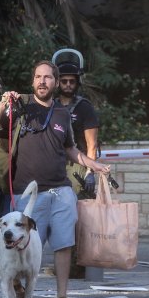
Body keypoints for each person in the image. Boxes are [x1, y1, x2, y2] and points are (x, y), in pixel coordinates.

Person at [0, 61, 111, 298]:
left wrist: (92, 164)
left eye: (48, 78)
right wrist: (2, 102)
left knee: (64, 244)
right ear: (33, 81)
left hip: (61, 190)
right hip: (27, 193)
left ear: (55, 81)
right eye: (38, 77)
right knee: (22, 244)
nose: (42, 82)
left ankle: (62, 297)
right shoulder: (20, 105)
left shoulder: (63, 113)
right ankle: (18, 285)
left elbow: (69, 149)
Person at [56, 61, 100, 197]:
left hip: (77, 164)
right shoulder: (52, 105)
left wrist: (89, 172)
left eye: (72, 81)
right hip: (55, 164)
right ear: (58, 83)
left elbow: (92, 144)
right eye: (64, 81)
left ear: (77, 83)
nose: (68, 84)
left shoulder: (84, 107)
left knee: (76, 205)